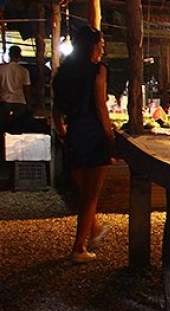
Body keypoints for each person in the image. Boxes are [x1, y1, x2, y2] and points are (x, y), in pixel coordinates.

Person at [52, 26, 113, 264]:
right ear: (92, 46)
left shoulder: (63, 73)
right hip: (94, 134)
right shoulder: (98, 70)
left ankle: (94, 230)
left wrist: (64, 135)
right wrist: (110, 138)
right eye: (101, 44)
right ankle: (79, 248)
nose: (102, 49)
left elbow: (57, 112)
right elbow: (100, 106)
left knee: (84, 191)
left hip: (75, 134)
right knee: (90, 195)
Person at [0, 45, 31, 131]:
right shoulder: (24, 71)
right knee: (15, 125)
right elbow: (27, 89)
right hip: (20, 103)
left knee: (2, 126)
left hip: (4, 102)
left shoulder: (1, 69)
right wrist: (28, 104)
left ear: (9, 55)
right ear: (19, 56)